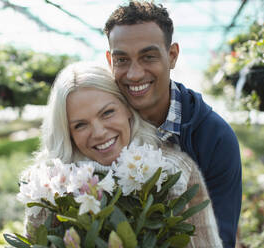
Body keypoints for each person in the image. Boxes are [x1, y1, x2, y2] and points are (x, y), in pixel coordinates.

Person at [25, 62, 222, 247]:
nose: (99, 132)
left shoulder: (173, 169)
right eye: (80, 125)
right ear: (68, 133)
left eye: (107, 113)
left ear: (128, 108)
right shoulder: (50, 186)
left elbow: (204, 241)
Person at [103, 2, 242, 247]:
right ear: (109, 60)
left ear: (172, 55)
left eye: (148, 57)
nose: (134, 74)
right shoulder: (99, 127)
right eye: (122, 59)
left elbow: (220, 239)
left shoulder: (215, 138)